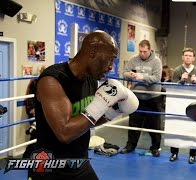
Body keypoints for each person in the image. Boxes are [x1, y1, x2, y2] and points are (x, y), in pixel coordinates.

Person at [30, 31, 138, 179]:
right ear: (93, 51)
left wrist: (113, 111)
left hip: (79, 162)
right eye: (110, 59)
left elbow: (87, 121)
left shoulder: (91, 81)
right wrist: (101, 104)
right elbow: (64, 133)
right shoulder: (52, 80)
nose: (111, 67)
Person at [121, 40, 163, 157]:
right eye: (140, 51)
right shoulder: (133, 59)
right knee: (134, 123)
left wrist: (142, 77)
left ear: (150, 50)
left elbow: (156, 77)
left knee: (154, 125)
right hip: (137, 97)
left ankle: (155, 148)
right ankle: (130, 146)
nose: (142, 54)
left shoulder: (156, 61)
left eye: (145, 51)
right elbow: (124, 72)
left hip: (153, 98)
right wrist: (131, 75)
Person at [171, 47, 196, 164]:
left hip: (193, 104)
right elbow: (171, 87)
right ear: (182, 57)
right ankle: (174, 153)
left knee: (193, 129)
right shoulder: (177, 70)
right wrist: (181, 81)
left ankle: (193, 155)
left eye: (190, 55)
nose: (188, 57)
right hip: (178, 103)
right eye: (186, 55)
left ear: (193, 58)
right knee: (176, 127)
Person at [23, 65, 47, 158]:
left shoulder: (47, 82)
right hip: (35, 111)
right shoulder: (35, 82)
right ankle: (26, 157)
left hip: (43, 111)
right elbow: (29, 97)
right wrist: (33, 109)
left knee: (41, 135)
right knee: (35, 134)